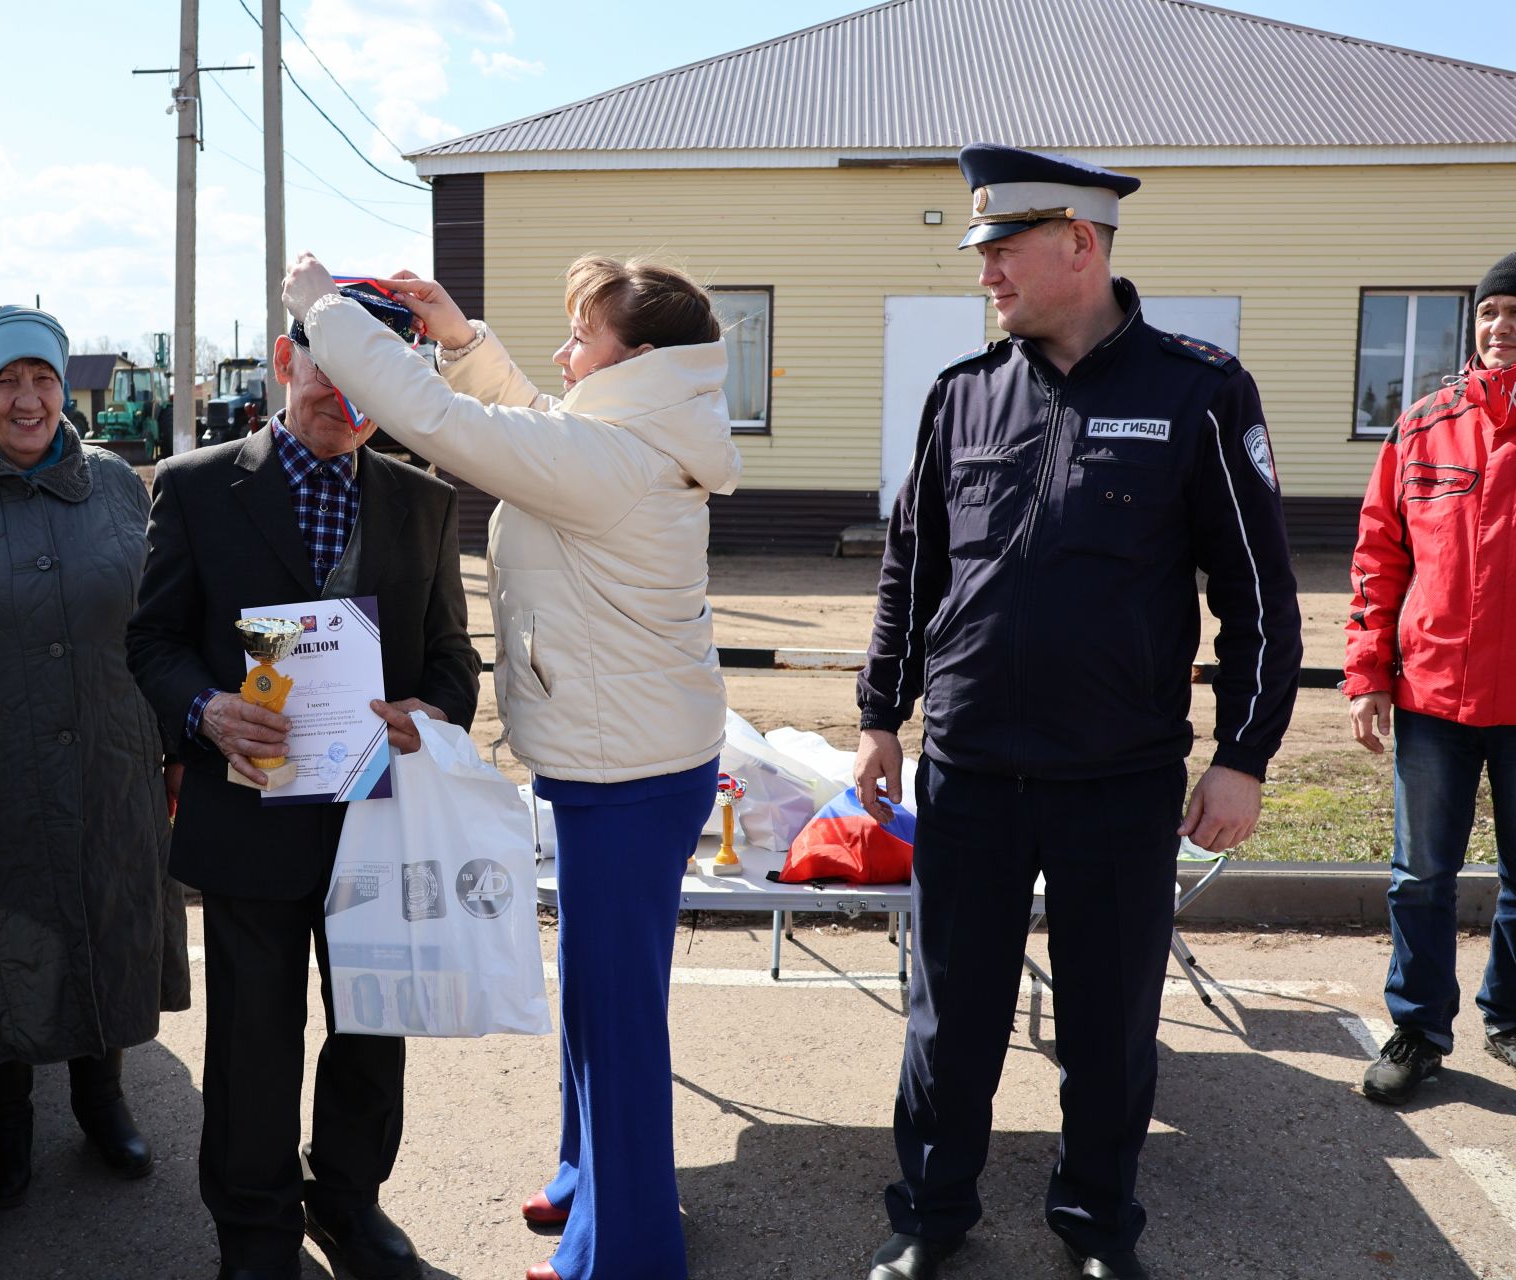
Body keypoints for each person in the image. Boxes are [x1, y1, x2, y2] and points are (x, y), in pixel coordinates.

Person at [852, 145, 1302, 1280]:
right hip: (970, 768)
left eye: (1002, 250)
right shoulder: (963, 394)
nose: (986, 272)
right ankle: (932, 1213)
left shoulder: (1198, 391)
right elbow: (913, 571)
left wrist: (1245, 752)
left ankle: (1097, 1222)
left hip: (1117, 776)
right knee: (949, 1020)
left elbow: (1256, 589)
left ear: (1080, 246)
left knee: (1107, 1025)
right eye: (983, 252)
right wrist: (878, 714)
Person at [282, 251, 744, 1280]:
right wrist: (460, 340)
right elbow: (534, 417)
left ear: (639, 360)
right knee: (596, 995)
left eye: (582, 332)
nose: (563, 349)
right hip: (624, 759)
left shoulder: (614, 454)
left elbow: (453, 428)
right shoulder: (630, 432)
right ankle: (592, 1179)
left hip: (627, 773)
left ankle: (627, 1253)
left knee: (617, 1020)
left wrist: (324, 312)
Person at [126, 306, 481, 1280]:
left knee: (373, 1025)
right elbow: (150, 641)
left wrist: (429, 710)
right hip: (249, 812)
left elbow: (454, 659)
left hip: (377, 816)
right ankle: (255, 1231)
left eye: (376, 385)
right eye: (332, 376)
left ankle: (350, 1198)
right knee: (254, 1037)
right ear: (286, 360)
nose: (350, 402)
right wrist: (206, 707)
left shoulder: (421, 499)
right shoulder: (200, 487)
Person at [0, 305, 190, 1207]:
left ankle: (103, 1104)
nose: (28, 400)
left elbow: (160, 625)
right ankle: (7, 1123)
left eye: (43, 379)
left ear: (65, 387)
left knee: (107, 926)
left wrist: (174, 745)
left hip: (111, 754)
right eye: (6, 382)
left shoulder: (117, 485)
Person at [1345, 250, 1516, 1103]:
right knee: (1421, 876)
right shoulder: (1423, 426)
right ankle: (1418, 1029)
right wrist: (1367, 672)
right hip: (1435, 696)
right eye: (1490, 313)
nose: (1502, 327)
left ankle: (1510, 1015)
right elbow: (1380, 555)